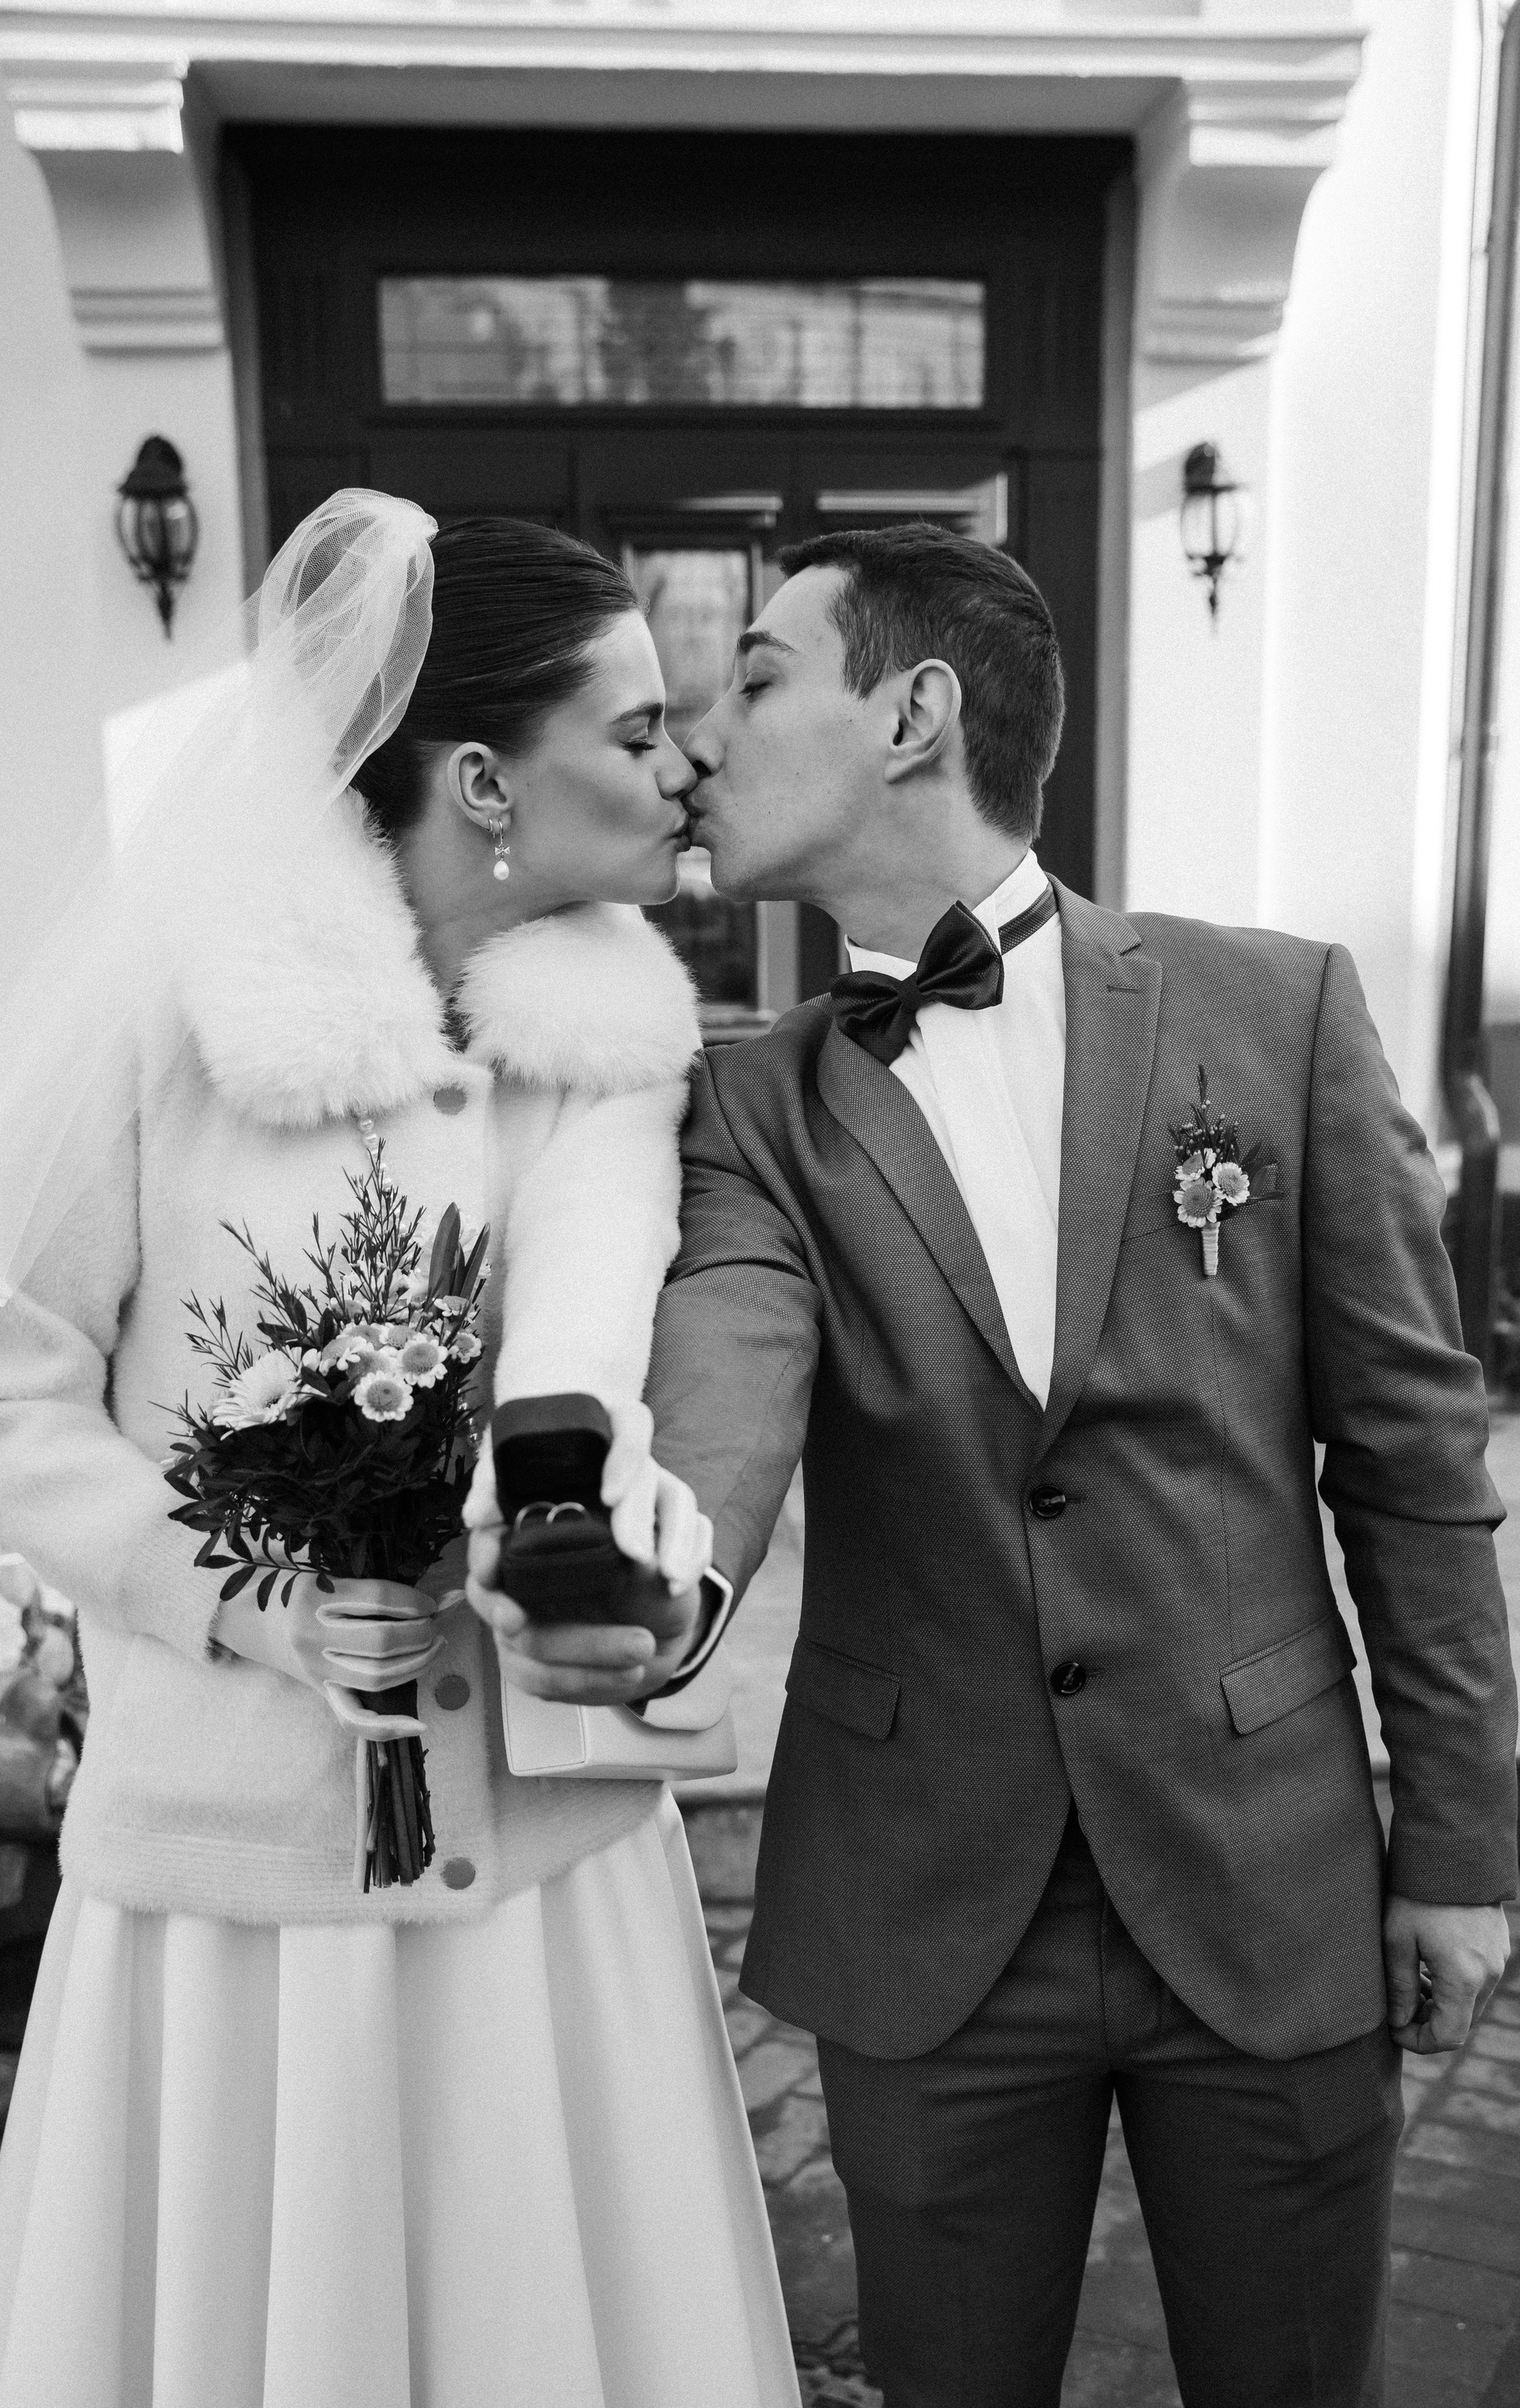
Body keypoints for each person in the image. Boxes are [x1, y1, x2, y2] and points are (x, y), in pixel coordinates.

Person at [470, 522, 1518, 2408]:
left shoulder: (1275, 1014)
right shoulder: (748, 1102)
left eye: (757, 676)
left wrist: (1458, 1847)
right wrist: (655, 1587)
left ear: (915, 715)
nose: (698, 741)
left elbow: (1415, 1458)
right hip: (924, 1914)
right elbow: (727, 1383)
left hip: (1264, 1879)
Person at [0, 498, 798, 2408]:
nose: (683, 766)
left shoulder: (615, 1044)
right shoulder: (175, 1016)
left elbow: (586, 1353)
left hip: (548, 1871)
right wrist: (263, 1601)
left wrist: (590, 1523)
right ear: (485, 779)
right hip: (238, 1881)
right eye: (637, 728)